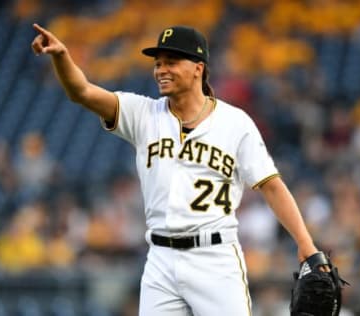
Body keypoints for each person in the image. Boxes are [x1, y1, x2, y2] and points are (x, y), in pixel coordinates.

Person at [31, 24, 323, 316]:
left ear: (198, 68)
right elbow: (81, 92)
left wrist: (306, 245)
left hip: (215, 259)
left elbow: (271, 186)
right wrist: (62, 57)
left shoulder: (236, 123)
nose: (161, 70)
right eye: (158, 63)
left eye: (171, 62)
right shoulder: (143, 113)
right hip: (161, 259)